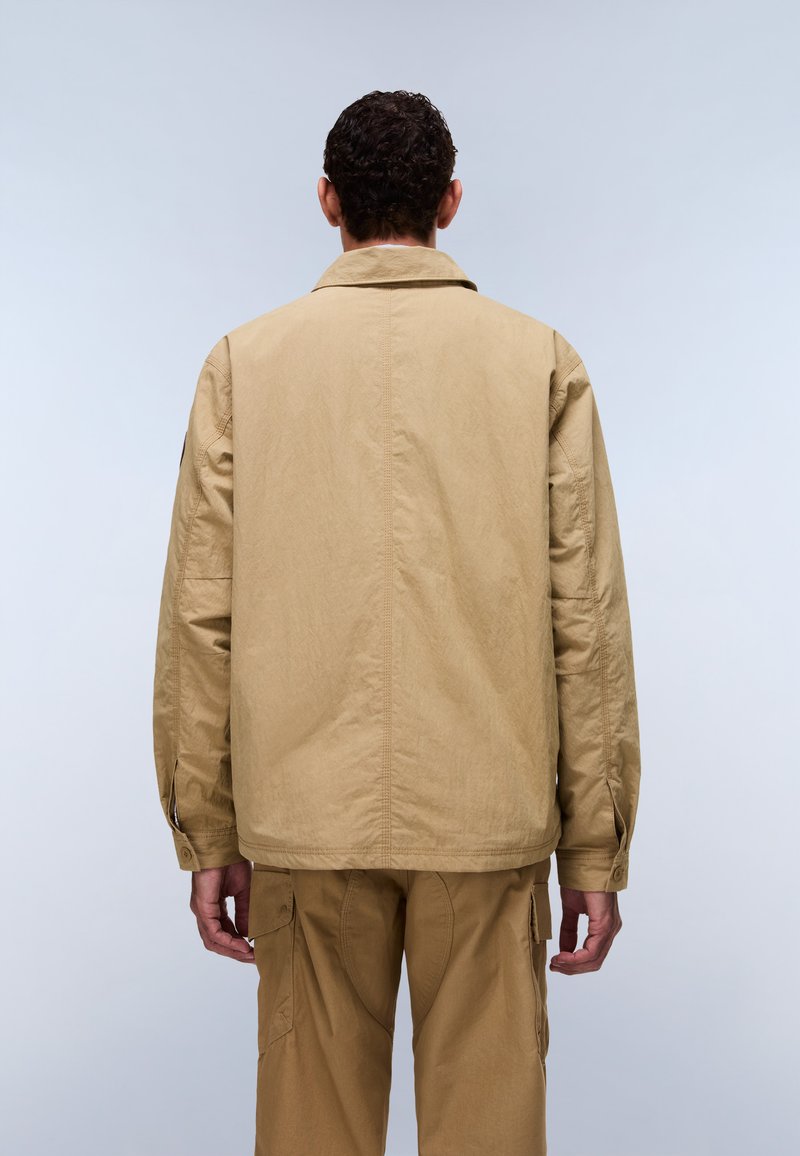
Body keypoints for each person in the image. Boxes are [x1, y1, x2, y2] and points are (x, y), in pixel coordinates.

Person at [152, 89, 641, 1156]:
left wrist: (207, 830)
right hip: (487, 815)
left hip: (303, 820)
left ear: (327, 200)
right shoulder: (539, 361)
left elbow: (200, 614)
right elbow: (586, 621)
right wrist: (594, 852)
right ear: (449, 201)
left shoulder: (244, 363)